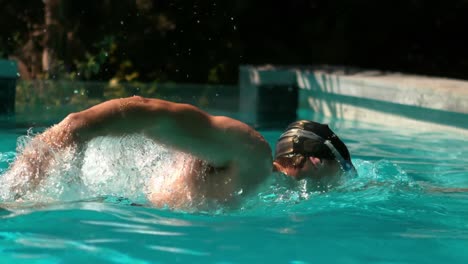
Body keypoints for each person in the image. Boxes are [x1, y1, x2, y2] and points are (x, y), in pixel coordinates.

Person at [4, 96, 355, 209]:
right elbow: (151, 113)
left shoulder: (268, 190)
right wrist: (76, 127)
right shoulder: (251, 154)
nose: (343, 181)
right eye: (343, 169)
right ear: (315, 159)